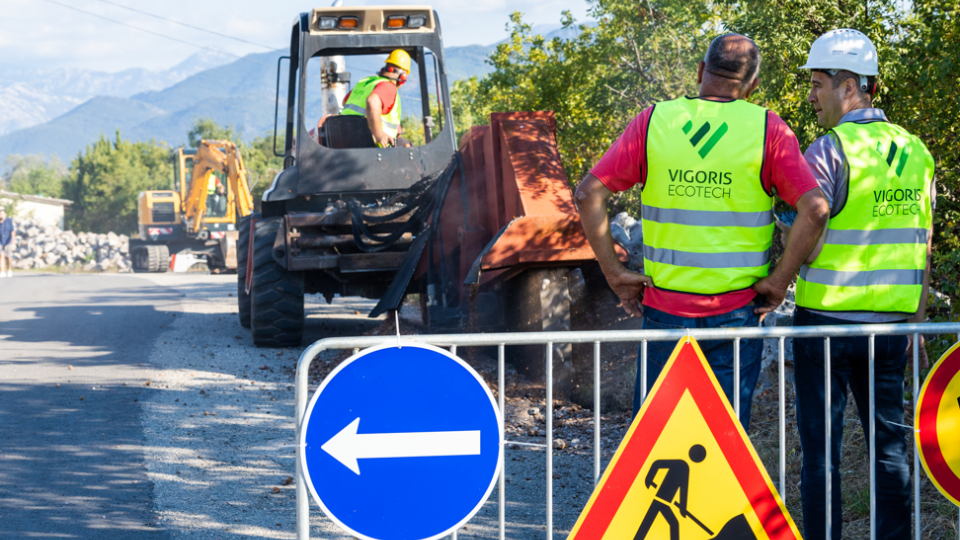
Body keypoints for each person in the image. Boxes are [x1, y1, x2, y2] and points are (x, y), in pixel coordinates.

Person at [576, 33, 829, 428]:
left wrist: (614, 273)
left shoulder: (654, 121)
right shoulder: (768, 129)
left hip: (664, 313)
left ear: (699, 72)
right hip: (736, 314)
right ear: (752, 86)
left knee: (654, 441)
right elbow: (815, 209)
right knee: (724, 444)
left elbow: (588, 194)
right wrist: (779, 282)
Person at [790, 28, 935, 540]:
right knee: (891, 450)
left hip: (824, 327)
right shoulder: (916, 151)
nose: (812, 96)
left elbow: (809, 221)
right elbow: (924, 241)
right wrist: (916, 323)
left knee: (821, 455)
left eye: (817, 84)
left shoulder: (829, 149)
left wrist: (779, 275)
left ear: (848, 86)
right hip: (891, 330)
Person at [341, 49, 410, 148]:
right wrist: (379, 135)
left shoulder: (366, 82)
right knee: (409, 147)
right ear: (402, 78)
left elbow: (345, 102)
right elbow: (372, 101)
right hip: (371, 145)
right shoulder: (389, 86)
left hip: (347, 137)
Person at [0, 208, 15, 278]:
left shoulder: (9, 221)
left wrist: (13, 240)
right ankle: (2, 271)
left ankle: (9, 270)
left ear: (5, 214)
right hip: (0, 241)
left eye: (2, 213)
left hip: (8, 241)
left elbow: (12, 230)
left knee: (8, 256)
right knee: (1, 256)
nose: (0, 215)